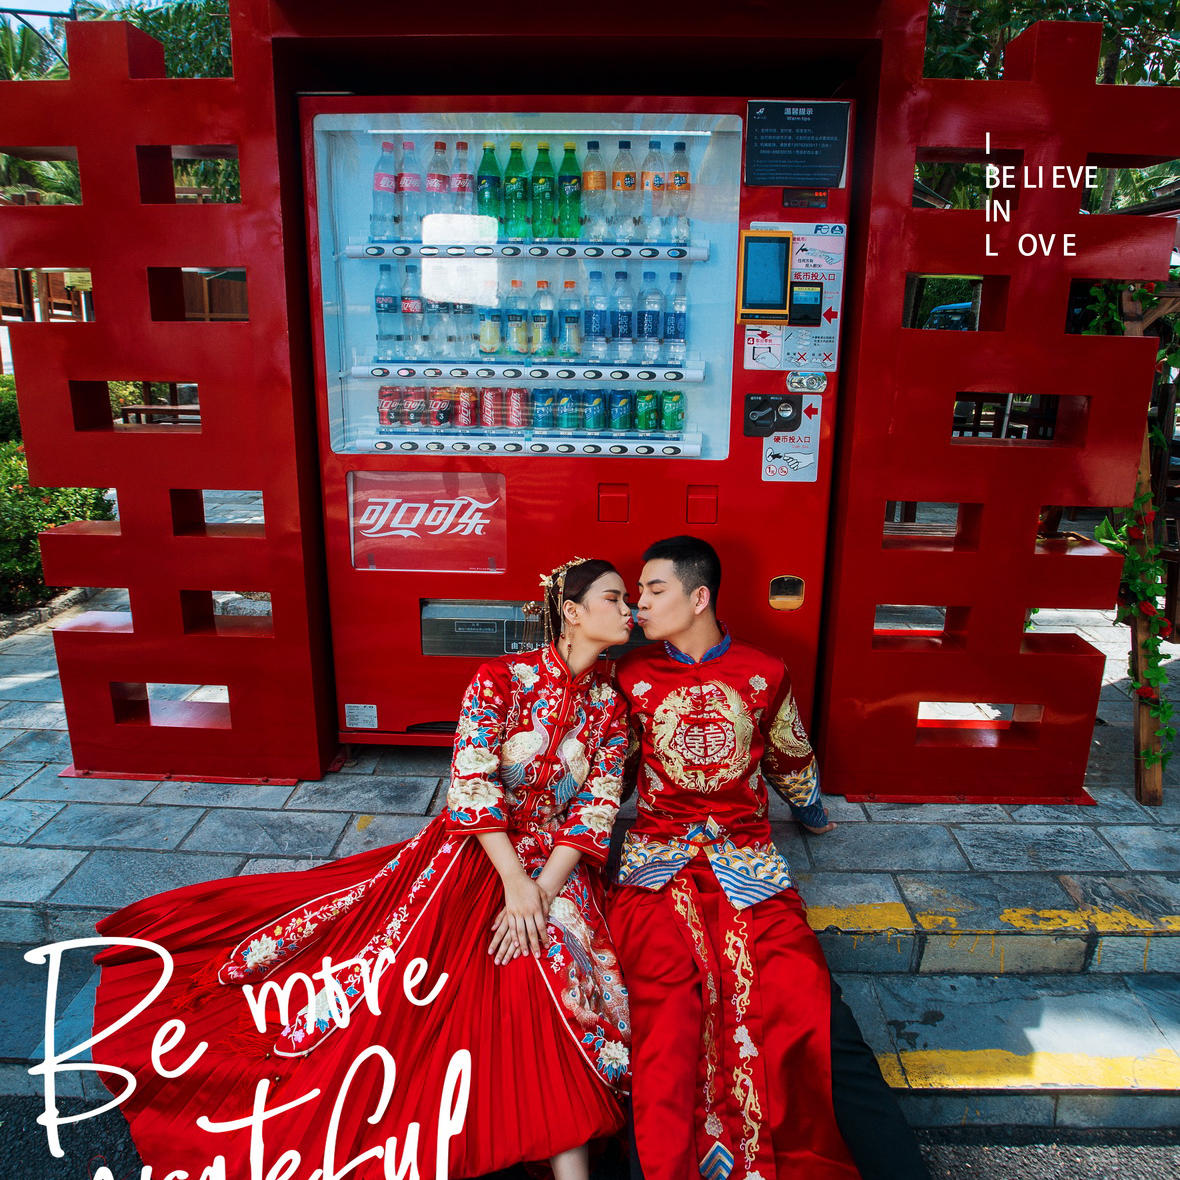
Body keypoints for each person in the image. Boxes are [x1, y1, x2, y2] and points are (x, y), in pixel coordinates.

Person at [90, 558, 634, 1180]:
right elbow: (472, 782)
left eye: (629, 599)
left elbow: (597, 807)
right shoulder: (501, 679)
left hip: (557, 868)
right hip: (478, 851)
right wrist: (515, 883)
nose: (629, 611)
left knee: (552, 971)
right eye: (614, 598)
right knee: (455, 980)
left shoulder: (609, 706)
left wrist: (540, 891)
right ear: (571, 611)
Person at [607, 536, 929, 1180]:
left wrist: (810, 809)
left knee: (808, 1002)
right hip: (657, 865)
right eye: (638, 592)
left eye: (653, 590)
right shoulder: (629, 676)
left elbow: (789, 756)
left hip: (747, 864)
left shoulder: (764, 672)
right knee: (664, 1016)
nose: (639, 604)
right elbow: (604, 772)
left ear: (700, 597)